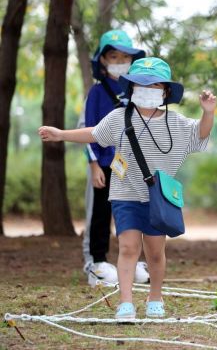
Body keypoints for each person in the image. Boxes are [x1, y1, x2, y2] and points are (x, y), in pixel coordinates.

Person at [39, 57, 216, 319]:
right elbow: (94, 133)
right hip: (125, 194)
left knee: (155, 253)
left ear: (165, 91)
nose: (146, 90)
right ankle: (126, 302)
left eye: (154, 85)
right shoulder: (119, 117)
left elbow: (200, 134)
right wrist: (61, 134)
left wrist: (208, 112)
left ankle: (155, 297)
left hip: (159, 199)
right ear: (131, 89)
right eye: (140, 84)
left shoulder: (176, 123)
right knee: (128, 248)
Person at [82, 29, 148, 287]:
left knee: (132, 213)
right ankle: (98, 263)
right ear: (103, 60)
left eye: (125, 57)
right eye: (114, 56)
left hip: (132, 166)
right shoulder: (96, 93)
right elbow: (89, 129)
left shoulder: (138, 92)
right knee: (101, 213)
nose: (119, 61)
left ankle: (131, 262)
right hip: (106, 165)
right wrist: (94, 165)